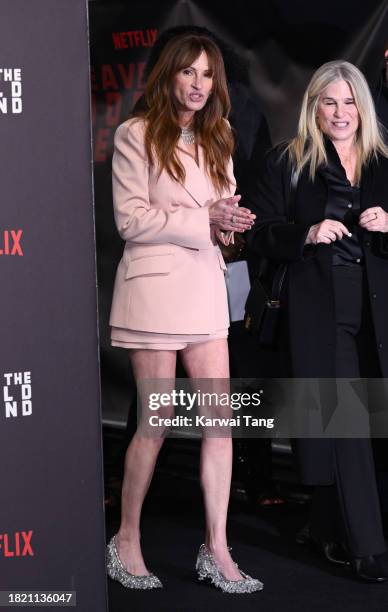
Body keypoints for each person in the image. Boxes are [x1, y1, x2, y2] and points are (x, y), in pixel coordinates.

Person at [106, 33, 263, 594]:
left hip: (204, 292)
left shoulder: (219, 137)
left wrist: (229, 228)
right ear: (169, 75)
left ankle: (216, 549)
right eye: (189, 73)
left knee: (220, 426)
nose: (199, 85)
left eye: (207, 75)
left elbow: (218, 222)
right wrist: (205, 219)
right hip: (153, 295)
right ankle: (126, 539)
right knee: (157, 423)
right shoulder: (135, 134)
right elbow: (131, 220)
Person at [247, 60, 388, 583]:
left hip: (378, 312)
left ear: (363, 108)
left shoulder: (382, 162)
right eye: (329, 101)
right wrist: (306, 233)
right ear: (314, 107)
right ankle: (367, 547)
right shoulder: (288, 161)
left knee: (369, 423)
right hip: (320, 310)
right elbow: (259, 233)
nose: (340, 112)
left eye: (349, 101)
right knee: (346, 421)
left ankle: (326, 527)